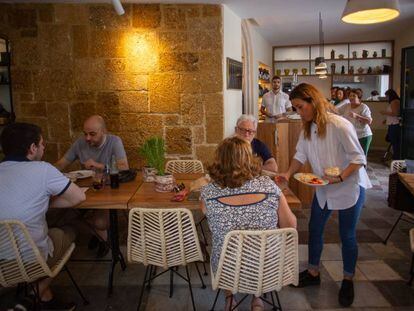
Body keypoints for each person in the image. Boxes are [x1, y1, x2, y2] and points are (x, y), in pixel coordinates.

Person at [281, 83, 371, 307]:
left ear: (312, 101)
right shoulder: (308, 128)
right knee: (314, 228)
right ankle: (313, 273)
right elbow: (300, 154)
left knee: (347, 235)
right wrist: (288, 173)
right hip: (324, 187)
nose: (299, 113)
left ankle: (348, 279)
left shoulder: (339, 124)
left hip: (349, 186)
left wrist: (340, 177)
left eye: (301, 107)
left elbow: (358, 159)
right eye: (296, 108)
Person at [201, 136, 297, 311]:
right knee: (259, 251)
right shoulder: (269, 186)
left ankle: (230, 299)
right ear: (250, 158)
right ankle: (257, 298)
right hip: (267, 267)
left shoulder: (208, 191)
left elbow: (205, 214)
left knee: (222, 245)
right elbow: (290, 226)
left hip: (227, 270)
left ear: (219, 160)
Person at [0, 123, 86, 311]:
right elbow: (79, 197)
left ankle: (46, 299)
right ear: (32, 148)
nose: (44, 147)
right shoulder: (43, 169)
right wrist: (44, 204)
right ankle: (35, 294)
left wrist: (40, 205)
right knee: (69, 231)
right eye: (42, 144)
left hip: (2, 263)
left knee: (37, 235)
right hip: (33, 260)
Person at [55, 115, 129, 257]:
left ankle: (100, 234)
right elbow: (61, 163)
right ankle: (103, 237)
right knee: (60, 219)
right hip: (84, 191)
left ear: (103, 132)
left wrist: (98, 165)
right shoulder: (80, 143)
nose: (87, 138)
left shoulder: (114, 141)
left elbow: (124, 167)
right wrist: (44, 172)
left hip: (107, 191)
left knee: (100, 223)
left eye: (92, 134)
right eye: (85, 134)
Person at [338, 89, 373, 155]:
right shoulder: (346, 106)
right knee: (352, 156)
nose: (351, 98)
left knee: (362, 156)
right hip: (352, 135)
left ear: (359, 97)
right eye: (350, 96)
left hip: (363, 135)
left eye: (354, 96)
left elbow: (369, 121)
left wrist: (357, 116)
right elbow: (335, 111)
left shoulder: (364, 107)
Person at [380, 89, 401, 160]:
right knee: (393, 141)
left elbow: (396, 113)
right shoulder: (394, 102)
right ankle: (396, 156)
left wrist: (384, 112)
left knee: (395, 142)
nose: (386, 98)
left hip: (395, 124)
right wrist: (386, 120)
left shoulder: (394, 102)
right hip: (392, 123)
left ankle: (396, 158)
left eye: (387, 96)